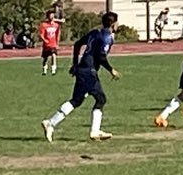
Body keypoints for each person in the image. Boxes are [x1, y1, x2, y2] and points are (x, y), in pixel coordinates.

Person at [41, 12, 122, 142]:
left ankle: (50, 123)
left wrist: (75, 64)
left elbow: (77, 44)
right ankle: (95, 131)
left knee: (76, 100)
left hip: (83, 69)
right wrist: (111, 70)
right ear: (113, 24)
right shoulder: (107, 37)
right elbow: (101, 57)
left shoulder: (95, 32)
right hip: (89, 72)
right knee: (101, 99)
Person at [39, 10, 63, 75]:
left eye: (52, 15)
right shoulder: (44, 25)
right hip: (46, 45)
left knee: (54, 55)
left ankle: (53, 70)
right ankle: (44, 69)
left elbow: (58, 34)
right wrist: (45, 40)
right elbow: (41, 34)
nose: (51, 16)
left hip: (53, 44)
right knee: (46, 58)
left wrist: (57, 43)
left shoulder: (56, 25)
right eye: (50, 15)